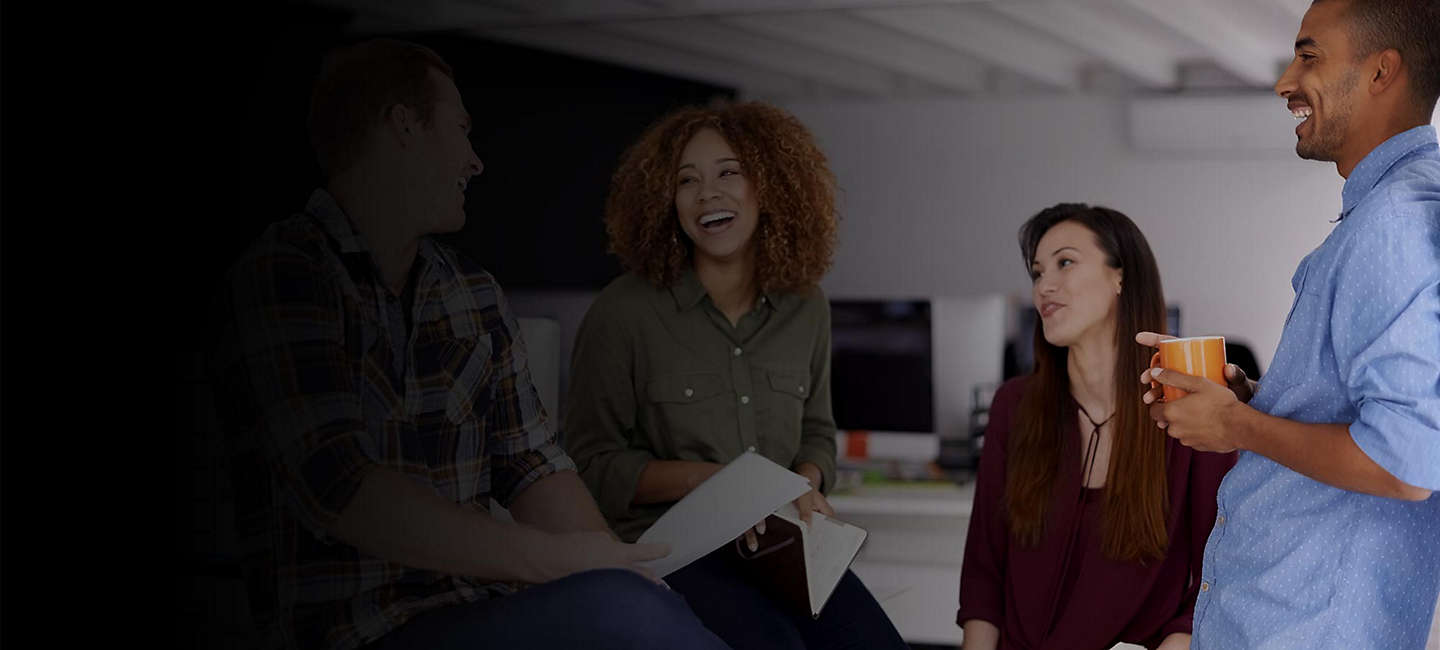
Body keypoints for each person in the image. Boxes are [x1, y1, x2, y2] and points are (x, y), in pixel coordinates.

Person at [210, 38, 729, 650]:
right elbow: (341, 488)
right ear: (404, 126)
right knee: (622, 612)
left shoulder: (470, 292)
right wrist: (562, 564)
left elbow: (533, 464)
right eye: (460, 129)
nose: (476, 161)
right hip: (357, 634)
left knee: (669, 597)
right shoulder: (285, 275)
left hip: (478, 612)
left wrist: (624, 566)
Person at [1137, 1, 1440, 647]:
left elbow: (1407, 463)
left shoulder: (1393, 223)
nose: (1284, 81)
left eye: (1309, 56)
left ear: (1382, 72)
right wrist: (1256, 401)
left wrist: (1235, 425)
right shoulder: (1385, 216)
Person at [563, 102, 906, 649]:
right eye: (686, 181)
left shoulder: (806, 306)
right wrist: (720, 484)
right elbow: (590, 464)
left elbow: (817, 431)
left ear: (768, 186)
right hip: (673, 550)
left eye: (729, 172)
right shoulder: (623, 312)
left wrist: (806, 484)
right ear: (666, 202)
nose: (707, 194)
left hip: (780, 546)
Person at [958, 204, 1237, 650]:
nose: (1044, 286)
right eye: (1036, 273)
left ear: (1119, 277)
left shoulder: (1189, 412)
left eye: (1065, 262)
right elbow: (983, 578)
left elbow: (1216, 578)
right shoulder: (1013, 406)